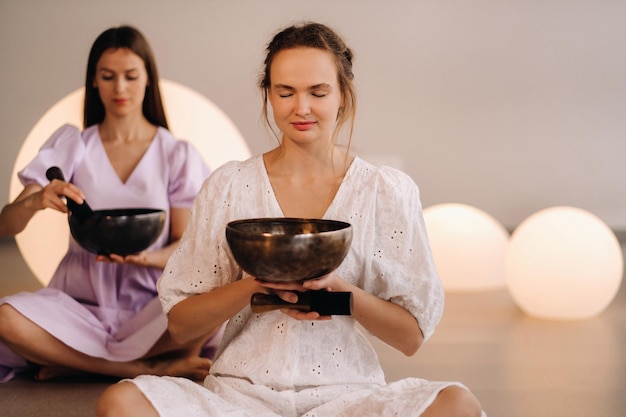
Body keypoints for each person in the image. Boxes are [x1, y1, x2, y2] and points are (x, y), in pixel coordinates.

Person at [96, 22, 485, 417]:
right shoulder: (229, 185)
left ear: (342, 98)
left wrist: (340, 294)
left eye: (318, 93)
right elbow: (181, 325)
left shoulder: (386, 191)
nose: (301, 108)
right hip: (240, 398)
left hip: (347, 398)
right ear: (269, 95)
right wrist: (253, 287)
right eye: (285, 93)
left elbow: (410, 337)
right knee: (121, 401)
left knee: (457, 405)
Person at [0, 25, 222, 383]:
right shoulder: (73, 143)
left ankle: (73, 362)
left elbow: (185, 243)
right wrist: (37, 200)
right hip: (78, 307)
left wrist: (144, 258)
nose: (120, 88)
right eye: (108, 76)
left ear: (148, 79)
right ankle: (135, 368)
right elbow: (5, 224)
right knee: (5, 317)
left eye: (131, 76)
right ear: (94, 82)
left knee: (217, 300)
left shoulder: (176, 154)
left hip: (153, 306)